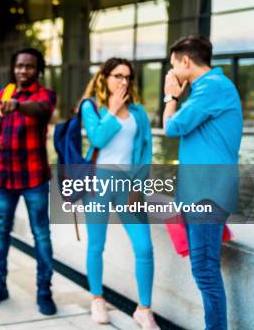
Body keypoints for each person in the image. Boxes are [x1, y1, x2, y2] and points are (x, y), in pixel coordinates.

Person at [163, 35, 242, 330]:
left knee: (205, 271)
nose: (171, 74)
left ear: (185, 61)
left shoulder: (212, 87)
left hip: (208, 194)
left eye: (173, 66)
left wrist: (170, 98)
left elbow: (172, 127)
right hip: (200, 191)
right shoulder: (206, 90)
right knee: (204, 268)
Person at [80, 57, 159, 329]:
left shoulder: (138, 113)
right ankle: (97, 299)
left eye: (128, 77)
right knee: (96, 245)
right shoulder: (91, 107)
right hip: (97, 185)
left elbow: (146, 153)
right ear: (104, 78)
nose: (123, 81)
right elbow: (97, 139)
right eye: (117, 76)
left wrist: (139, 186)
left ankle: (144, 309)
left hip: (128, 186)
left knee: (145, 247)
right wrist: (112, 112)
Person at [0, 48, 57, 315]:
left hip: (34, 178)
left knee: (41, 235)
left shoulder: (45, 95)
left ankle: (44, 291)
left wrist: (18, 106)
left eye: (30, 66)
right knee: (0, 233)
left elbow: (41, 110)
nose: (24, 70)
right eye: (20, 66)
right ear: (14, 68)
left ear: (38, 70)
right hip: (2, 177)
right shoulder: (1, 95)